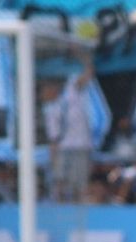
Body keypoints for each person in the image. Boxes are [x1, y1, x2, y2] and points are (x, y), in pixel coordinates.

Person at [42, 57, 95, 203]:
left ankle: (80, 214)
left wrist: (80, 52)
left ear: (53, 88)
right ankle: (60, 210)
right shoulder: (49, 110)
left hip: (81, 147)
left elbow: (88, 73)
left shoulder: (71, 93)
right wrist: (53, 159)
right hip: (63, 150)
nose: (43, 93)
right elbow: (53, 138)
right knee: (59, 183)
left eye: (46, 88)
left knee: (80, 184)